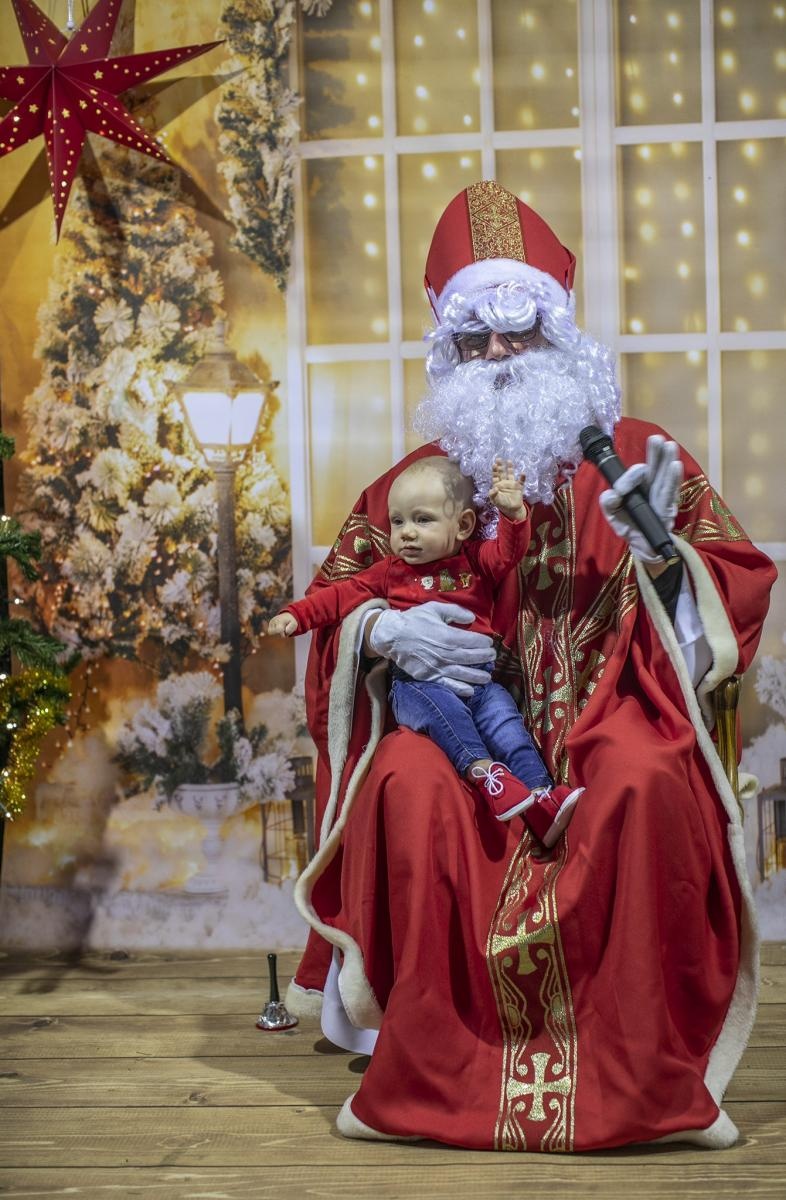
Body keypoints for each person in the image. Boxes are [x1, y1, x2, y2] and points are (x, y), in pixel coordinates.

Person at [287, 180, 777, 1152]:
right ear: (449, 351)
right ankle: (429, 1071)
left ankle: (643, 1078)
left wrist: (664, 561)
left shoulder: (640, 456)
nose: (500, 354)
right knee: (405, 782)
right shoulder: (418, 484)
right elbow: (336, 604)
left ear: (558, 332)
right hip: (462, 729)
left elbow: (737, 583)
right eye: (475, 337)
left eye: (519, 329)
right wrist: (380, 634)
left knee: (643, 779)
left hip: (611, 713)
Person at [268, 455, 583, 844]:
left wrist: (514, 515)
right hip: (417, 685)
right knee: (446, 716)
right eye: (398, 522)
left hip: (479, 684)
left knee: (507, 724)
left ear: (463, 525)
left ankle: (541, 797)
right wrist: (297, 615)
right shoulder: (390, 572)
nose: (407, 533)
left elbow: (509, 552)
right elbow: (339, 597)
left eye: (422, 520)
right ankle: (485, 772)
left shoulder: (474, 562)